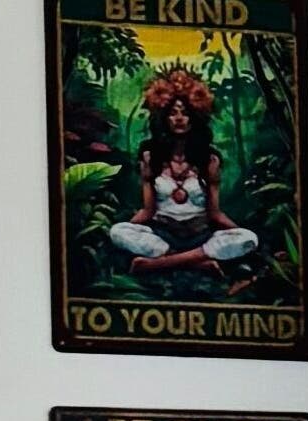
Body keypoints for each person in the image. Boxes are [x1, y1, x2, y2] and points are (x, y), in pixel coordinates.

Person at [104, 68, 258, 277]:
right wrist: (127, 232)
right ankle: (198, 262)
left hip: (201, 237)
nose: (179, 118)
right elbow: (148, 211)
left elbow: (214, 213)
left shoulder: (209, 160)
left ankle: (155, 264)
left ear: (194, 118)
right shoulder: (151, 158)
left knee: (248, 238)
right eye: (173, 113)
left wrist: (236, 231)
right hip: (162, 237)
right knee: (117, 232)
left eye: (185, 113)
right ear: (164, 118)